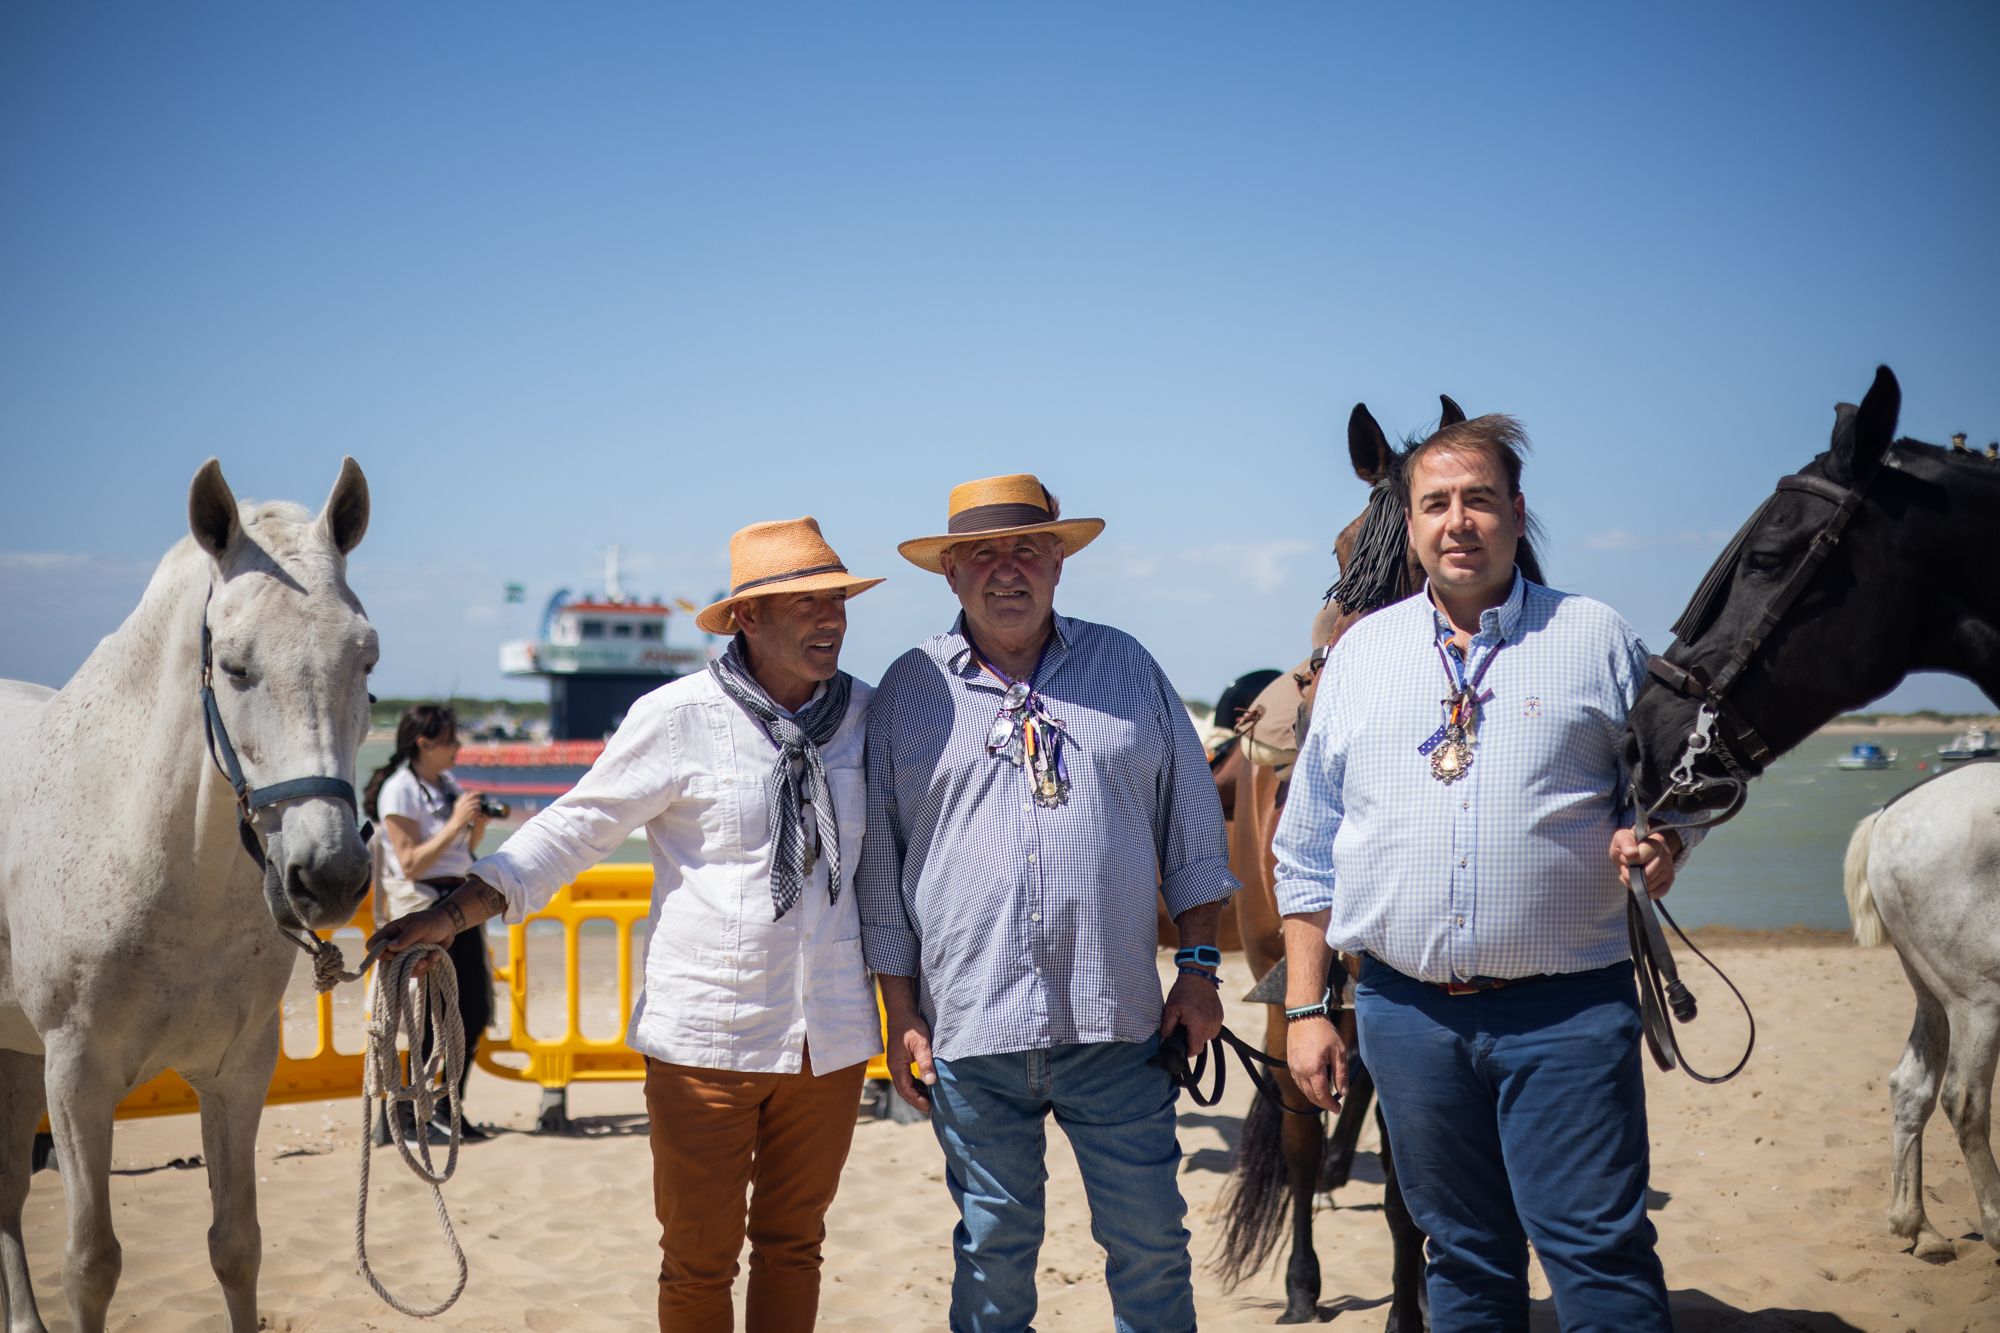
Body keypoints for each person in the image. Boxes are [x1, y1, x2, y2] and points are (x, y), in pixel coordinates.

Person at [370, 517, 884, 1333]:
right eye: (806, 603)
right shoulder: (678, 714)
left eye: (837, 600)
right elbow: (572, 829)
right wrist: (455, 909)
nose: (831, 618)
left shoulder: (867, 715)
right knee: (697, 1258)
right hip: (706, 1036)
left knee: (796, 1245)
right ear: (748, 617)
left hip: (830, 1036)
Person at [1272, 414, 1697, 1331]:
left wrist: (1662, 842)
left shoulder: (1596, 635)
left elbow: (1675, 786)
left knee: (1599, 1252)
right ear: (1411, 521)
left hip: (1568, 1011)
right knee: (1460, 1255)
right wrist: (1307, 1011)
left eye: (1477, 499)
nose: (1457, 521)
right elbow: (1305, 852)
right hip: (1406, 1013)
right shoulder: (1357, 656)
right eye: (1436, 503)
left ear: (1516, 510)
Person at [857, 473, 1238, 1333]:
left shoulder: (1128, 666)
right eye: (982, 555)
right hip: (969, 1030)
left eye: (1027, 549)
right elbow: (882, 869)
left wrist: (1201, 969)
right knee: (992, 1256)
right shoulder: (908, 688)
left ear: (1059, 562)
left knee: (1149, 1247)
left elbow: (1192, 834)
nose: (1007, 571)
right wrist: (900, 1010)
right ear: (950, 574)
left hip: (1120, 1025)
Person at [363, 703, 493, 1140]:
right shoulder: (400, 789)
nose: (459, 747)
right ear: (425, 743)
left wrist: (472, 824)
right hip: (425, 907)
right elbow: (411, 862)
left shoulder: (446, 783)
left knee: (471, 1010)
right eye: (452, 739)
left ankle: (445, 1104)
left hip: (460, 902)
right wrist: (456, 819)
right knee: (425, 1016)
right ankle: (409, 1113)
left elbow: (462, 850)